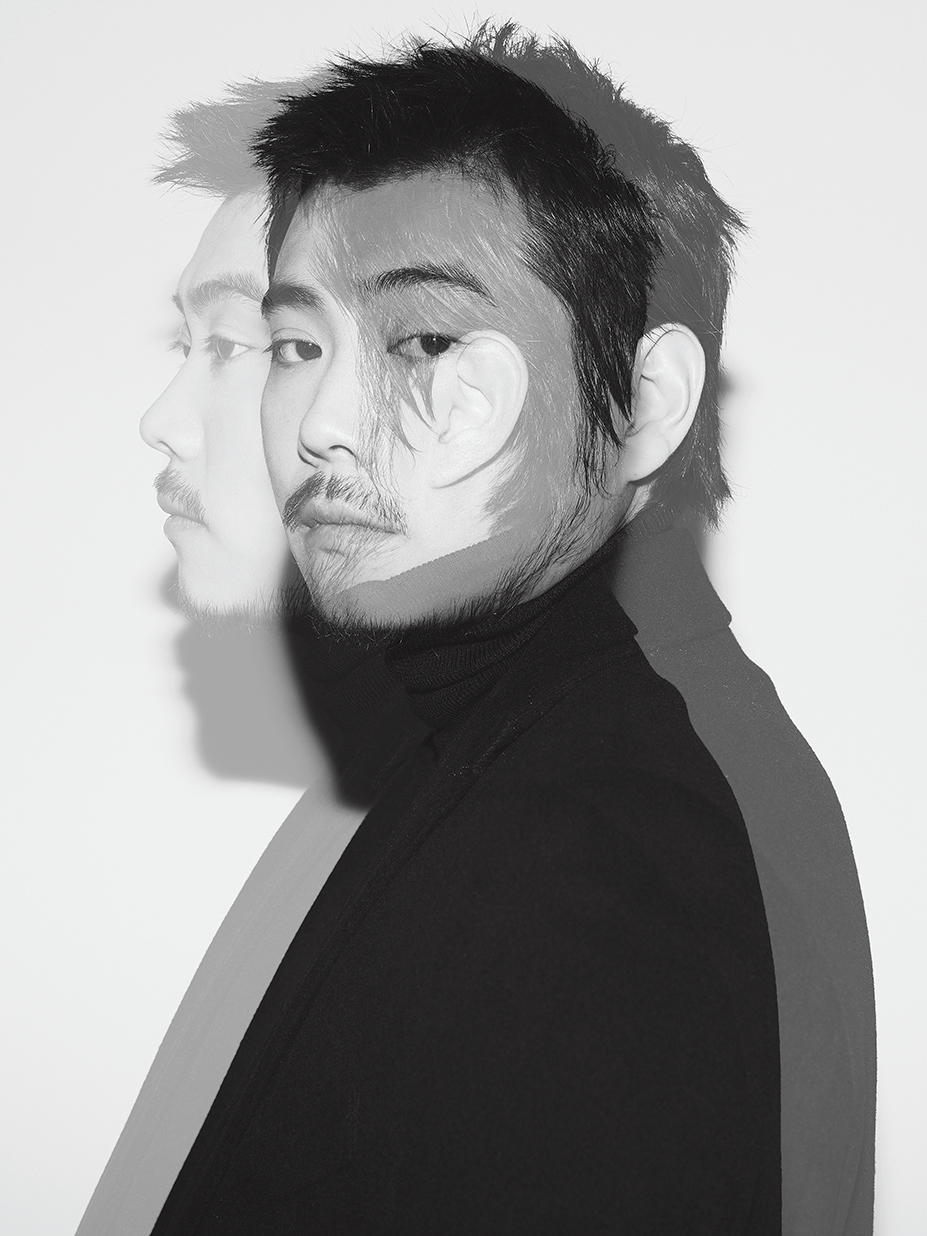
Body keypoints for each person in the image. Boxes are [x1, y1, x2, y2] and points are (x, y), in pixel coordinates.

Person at [81, 26, 874, 1236]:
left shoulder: (604, 839)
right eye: (299, 345)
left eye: (426, 342)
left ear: (645, 401)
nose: (323, 420)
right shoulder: (490, 740)